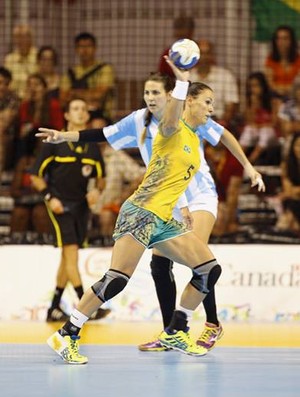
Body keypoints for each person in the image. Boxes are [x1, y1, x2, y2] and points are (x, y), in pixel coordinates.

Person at [38, 58, 265, 364]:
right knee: (116, 279)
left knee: (209, 269)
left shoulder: (196, 136)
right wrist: (182, 80)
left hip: (164, 219)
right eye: (207, 102)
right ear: (190, 102)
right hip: (141, 213)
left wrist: (242, 170)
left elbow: (204, 153)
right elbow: (167, 117)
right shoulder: (171, 128)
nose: (212, 108)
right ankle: (67, 333)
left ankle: (176, 328)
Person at [31, 98, 110, 322]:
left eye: (84, 108)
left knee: (68, 257)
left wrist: (97, 191)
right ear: (66, 115)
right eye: (75, 108)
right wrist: (49, 197)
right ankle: (87, 307)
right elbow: (35, 175)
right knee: (71, 252)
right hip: (59, 204)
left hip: (81, 206)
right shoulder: (54, 142)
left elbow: (101, 178)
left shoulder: (92, 147)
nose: (80, 112)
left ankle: (54, 308)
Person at [60, 32, 116, 127]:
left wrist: (74, 93)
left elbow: (99, 95)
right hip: (74, 116)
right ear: (76, 49)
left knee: (97, 126)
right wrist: (90, 98)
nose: (85, 50)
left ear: (95, 48)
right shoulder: (70, 73)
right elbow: (63, 99)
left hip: (99, 115)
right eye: (81, 47)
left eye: (88, 46)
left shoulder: (105, 69)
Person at [189, 39, 239, 131]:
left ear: (212, 55)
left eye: (207, 53)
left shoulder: (225, 76)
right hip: (191, 123)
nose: (204, 57)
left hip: (217, 122)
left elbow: (230, 108)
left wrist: (218, 126)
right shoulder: (187, 77)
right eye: (201, 54)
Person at [239, 72, 279, 165]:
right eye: (251, 86)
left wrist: (260, 126)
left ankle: (250, 162)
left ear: (263, 86)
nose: (253, 89)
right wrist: (253, 105)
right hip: (256, 132)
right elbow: (249, 122)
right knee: (248, 130)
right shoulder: (250, 101)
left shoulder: (273, 101)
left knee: (265, 132)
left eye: (256, 86)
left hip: (271, 134)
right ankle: (238, 159)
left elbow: (274, 123)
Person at [264, 25, 300, 101]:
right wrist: (282, 90)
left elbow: (298, 84)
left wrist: (286, 89)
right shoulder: (270, 60)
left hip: (295, 97)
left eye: (285, 38)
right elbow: (270, 84)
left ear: (291, 41)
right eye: (279, 38)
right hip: (276, 96)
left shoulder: (298, 59)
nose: (282, 42)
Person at [4, 24, 38, 99]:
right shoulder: (9, 59)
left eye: (24, 37)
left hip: (33, 100)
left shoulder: (38, 57)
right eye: (17, 37)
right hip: (13, 99)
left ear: (30, 38)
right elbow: (5, 82)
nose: (21, 40)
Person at [0, 66, 20, 176]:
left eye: (6, 84)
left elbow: (4, 124)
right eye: (0, 83)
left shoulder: (13, 98)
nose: (2, 87)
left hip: (10, 143)